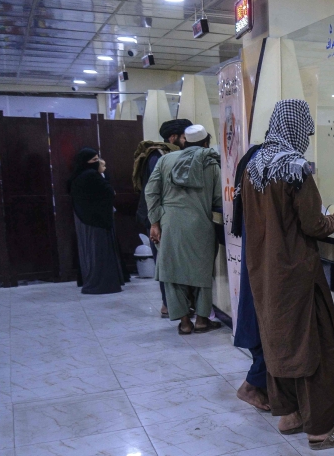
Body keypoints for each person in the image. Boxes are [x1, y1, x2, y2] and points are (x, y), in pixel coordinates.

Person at [240, 99, 334, 449]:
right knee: (317, 348)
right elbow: (314, 224)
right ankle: (320, 430)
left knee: (279, 342)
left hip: (263, 273)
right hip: (297, 275)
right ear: (295, 128)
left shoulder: (253, 167)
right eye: (305, 131)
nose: (306, 138)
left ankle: (289, 414)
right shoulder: (294, 168)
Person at [145, 124, 223, 335]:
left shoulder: (165, 161)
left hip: (170, 224)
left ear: (184, 142)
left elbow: (151, 193)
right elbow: (218, 198)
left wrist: (154, 222)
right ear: (206, 142)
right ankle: (202, 321)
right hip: (200, 223)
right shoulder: (211, 163)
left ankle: (185, 322)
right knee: (202, 273)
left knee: (173, 273)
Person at [133, 118, 192, 317]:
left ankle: (173, 304)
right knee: (165, 263)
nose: (187, 141)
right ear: (173, 137)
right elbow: (154, 193)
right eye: (185, 137)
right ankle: (169, 305)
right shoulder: (157, 157)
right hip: (158, 218)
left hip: (164, 216)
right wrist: (155, 223)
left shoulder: (166, 154)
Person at [230, 142, 269, 412]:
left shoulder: (253, 157)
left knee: (257, 318)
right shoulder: (271, 162)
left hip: (254, 250)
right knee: (267, 321)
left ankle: (258, 384)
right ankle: (251, 385)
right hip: (265, 255)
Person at [70, 148, 125, 295]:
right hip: (96, 221)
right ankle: (102, 284)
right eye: (94, 160)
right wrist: (102, 174)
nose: (98, 162)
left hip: (86, 220)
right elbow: (109, 192)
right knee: (100, 252)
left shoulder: (79, 175)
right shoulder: (91, 175)